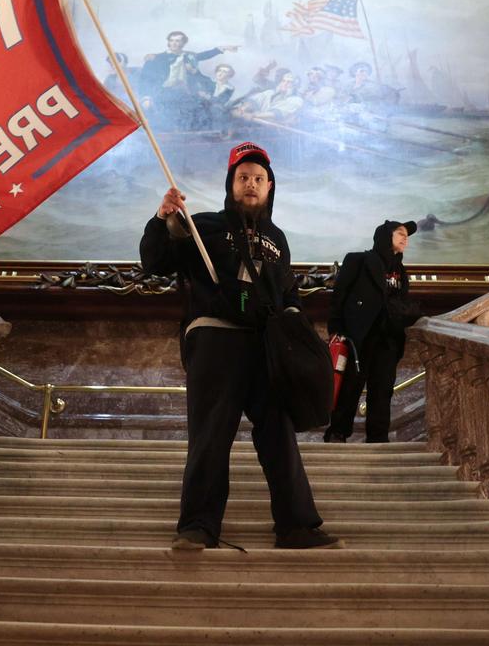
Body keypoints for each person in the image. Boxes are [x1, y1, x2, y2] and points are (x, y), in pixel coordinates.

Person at [140, 142, 342, 551]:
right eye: (243, 177)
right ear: (231, 184)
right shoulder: (203, 226)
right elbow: (155, 261)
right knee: (211, 434)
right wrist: (163, 219)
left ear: (270, 187)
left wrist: (297, 334)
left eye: (258, 178)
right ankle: (198, 525)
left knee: (279, 436)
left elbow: (289, 295)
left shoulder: (277, 238)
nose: (251, 184)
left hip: (266, 347)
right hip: (216, 338)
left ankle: (296, 526)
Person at [325, 220, 420, 444]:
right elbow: (339, 297)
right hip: (360, 337)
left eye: (407, 235)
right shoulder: (358, 260)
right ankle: (338, 433)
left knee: (383, 389)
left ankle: (378, 439)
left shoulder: (400, 271)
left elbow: (401, 303)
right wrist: (336, 330)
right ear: (385, 235)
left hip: (388, 339)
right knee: (350, 386)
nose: (405, 238)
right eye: (400, 233)